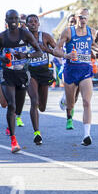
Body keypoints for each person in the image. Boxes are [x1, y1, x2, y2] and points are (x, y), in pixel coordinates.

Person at [0, 9, 43, 153]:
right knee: (11, 105)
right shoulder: (1, 37)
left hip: (22, 74)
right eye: (10, 18)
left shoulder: (24, 34)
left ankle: (13, 122)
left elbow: (38, 51)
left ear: (18, 21)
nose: (13, 21)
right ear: (6, 20)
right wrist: (2, 59)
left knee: (18, 108)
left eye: (16, 18)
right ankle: (14, 140)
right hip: (7, 74)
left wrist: (25, 54)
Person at [54, 8, 97, 146]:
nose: (83, 20)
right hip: (70, 71)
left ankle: (86, 135)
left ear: (88, 18)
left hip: (85, 70)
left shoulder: (92, 31)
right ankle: (65, 100)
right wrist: (66, 56)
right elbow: (56, 49)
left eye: (85, 17)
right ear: (76, 18)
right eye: (80, 17)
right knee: (71, 104)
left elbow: (93, 45)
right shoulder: (68, 31)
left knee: (86, 102)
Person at [25, 14, 58, 145]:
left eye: (35, 21)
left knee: (42, 107)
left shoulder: (45, 37)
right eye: (30, 22)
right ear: (26, 25)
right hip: (29, 72)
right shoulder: (22, 38)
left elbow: (57, 50)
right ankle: (37, 133)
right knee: (34, 100)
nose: (33, 23)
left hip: (44, 72)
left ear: (39, 24)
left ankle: (37, 125)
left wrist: (46, 49)